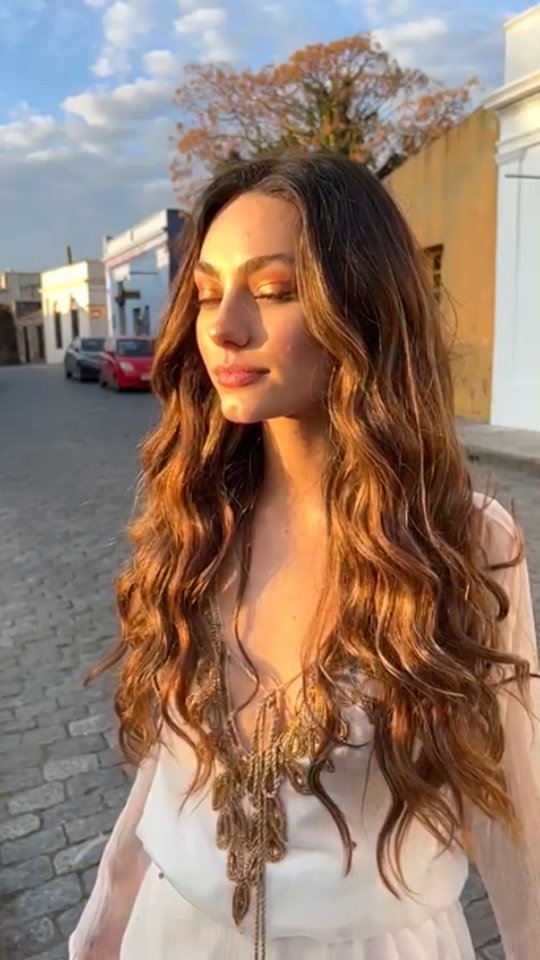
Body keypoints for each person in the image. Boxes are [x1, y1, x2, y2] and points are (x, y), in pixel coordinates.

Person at [69, 153, 539, 960]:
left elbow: (514, 801)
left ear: (361, 306)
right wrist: (102, 930)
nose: (224, 327)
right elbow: (169, 763)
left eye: (275, 289)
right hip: (173, 935)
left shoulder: (463, 541)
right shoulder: (198, 516)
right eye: (207, 292)